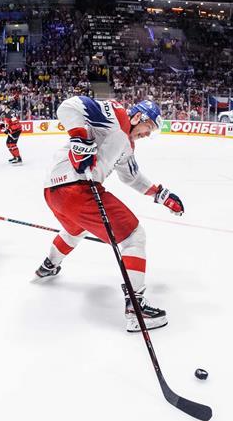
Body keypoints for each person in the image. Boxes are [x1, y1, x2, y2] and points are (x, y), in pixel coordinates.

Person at [34, 97, 184, 332]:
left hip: (53, 193)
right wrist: (80, 137)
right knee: (134, 237)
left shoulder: (127, 146)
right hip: (77, 188)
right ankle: (136, 308)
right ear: (138, 117)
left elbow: (132, 177)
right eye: (148, 128)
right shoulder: (115, 114)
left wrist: (160, 194)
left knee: (75, 230)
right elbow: (69, 106)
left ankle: (49, 265)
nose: (147, 134)